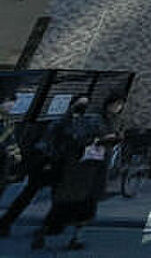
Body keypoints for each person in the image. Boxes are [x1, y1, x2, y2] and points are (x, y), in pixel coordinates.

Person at [31, 95, 110, 251]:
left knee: (85, 206)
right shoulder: (62, 123)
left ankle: (76, 237)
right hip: (68, 171)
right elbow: (50, 144)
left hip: (88, 171)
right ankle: (46, 232)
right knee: (63, 207)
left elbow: (100, 139)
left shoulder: (93, 121)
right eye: (80, 103)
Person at [0, 98, 63, 238]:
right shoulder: (54, 121)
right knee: (32, 193)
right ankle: (50, 225)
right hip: (46, 161)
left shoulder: (50, 119)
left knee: (32, 193)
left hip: (49, 161)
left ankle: (7, 222)